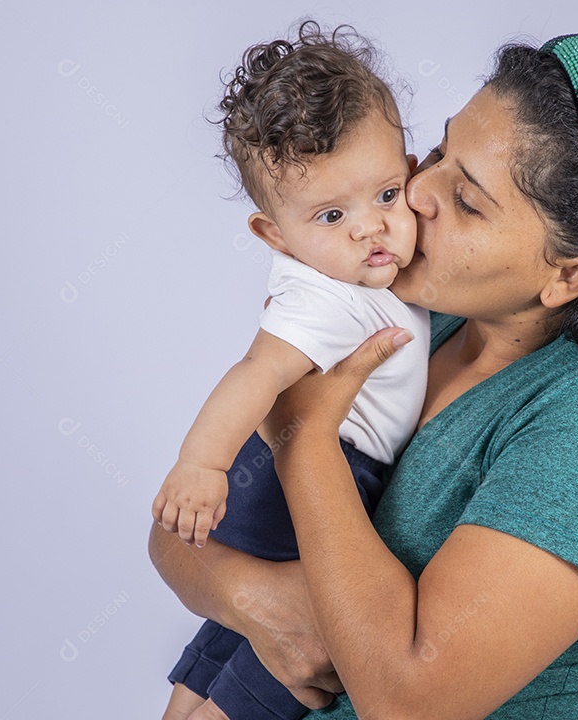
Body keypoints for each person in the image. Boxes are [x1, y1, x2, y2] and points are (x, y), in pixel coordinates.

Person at [150, 32, 578, 720]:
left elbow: (409, 703)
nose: (416, 192)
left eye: (468, 200)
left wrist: (302, 436)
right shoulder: (423, 319)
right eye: (440, 151)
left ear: (565, 277)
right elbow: (179, 534)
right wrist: (256, 601)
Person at [151, 22, 430, 720]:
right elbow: (257, 372)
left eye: (387, 195)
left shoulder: (365, 273)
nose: (370, 229)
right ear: (275, 235)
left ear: (412, 169)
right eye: (332, 214)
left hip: (298, 466)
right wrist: (201, 463)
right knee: (300, 642)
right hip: (320, 472)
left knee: (235, 626)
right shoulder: (323, 296)